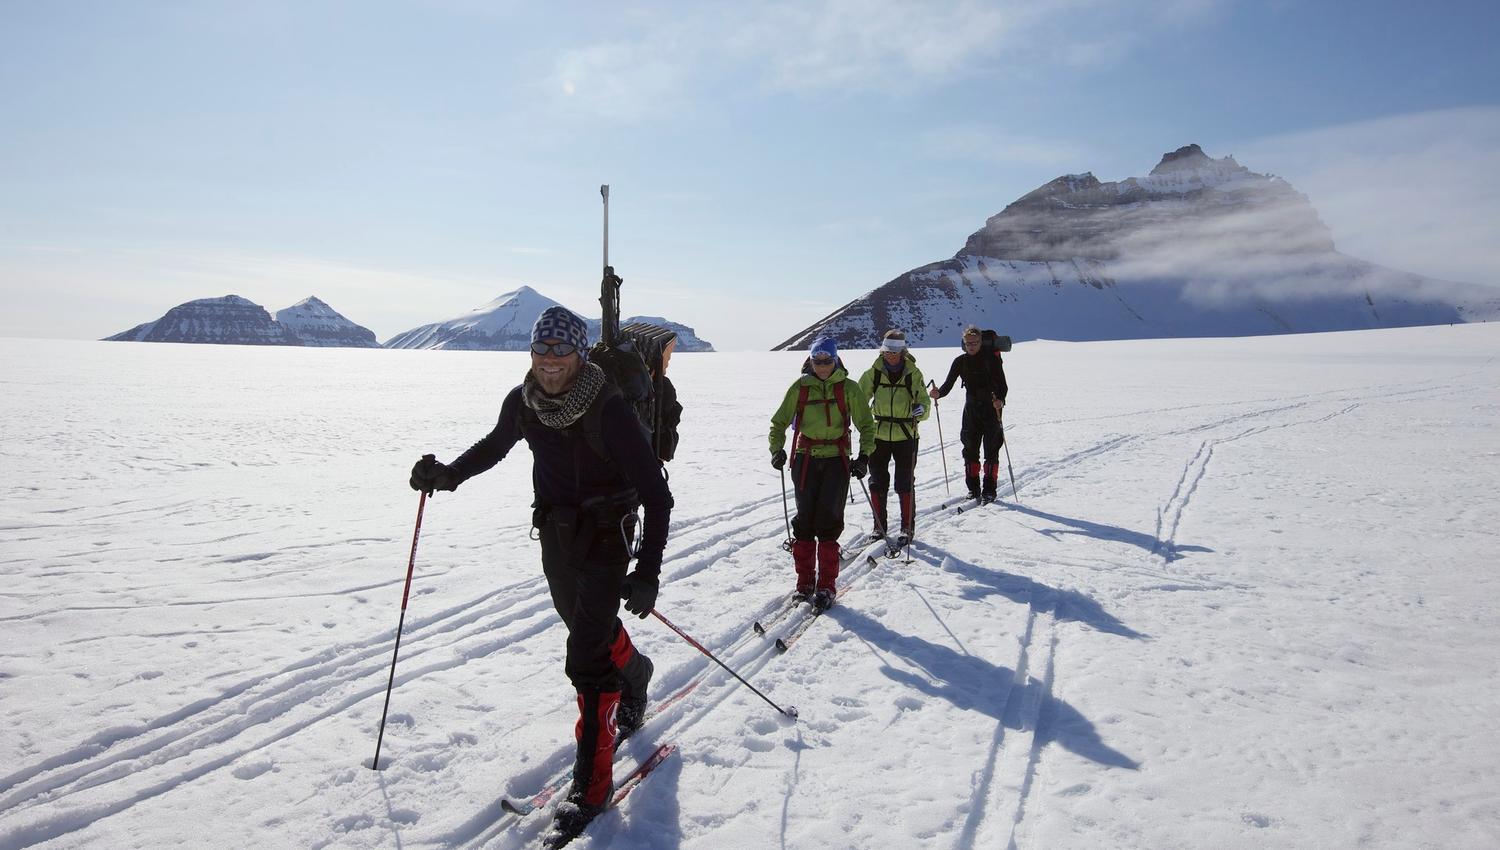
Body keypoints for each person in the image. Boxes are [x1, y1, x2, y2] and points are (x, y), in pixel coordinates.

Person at [408, 306, 672, 840]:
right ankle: (636, 670)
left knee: (586, 660)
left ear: (578, 353)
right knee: (583, 627)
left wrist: (648, 571)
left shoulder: (608, 408)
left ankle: (592, 789)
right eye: (541, 350)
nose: (550, 361)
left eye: (561, 351)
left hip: (606, 535)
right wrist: (449, 476)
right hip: (556, 532)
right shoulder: (523, 401)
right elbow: (494, 445)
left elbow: (657, 494)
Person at [768, 336, 876, 611]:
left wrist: (864, 457)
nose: (822, 366)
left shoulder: (849, 388)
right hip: (805, 460)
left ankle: (827, 584)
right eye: (817, 361)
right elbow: (778, 422)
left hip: (836, 462)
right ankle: (804, 582)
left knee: (829, 521)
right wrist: (776, 450)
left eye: (827, 361)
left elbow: (866, 425)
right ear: (811, 361)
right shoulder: (800, 387)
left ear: (835, 359)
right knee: (804, 521)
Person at [857, 329, 929, 548]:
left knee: (904, 482)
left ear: (902, 351)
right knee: (877, 481)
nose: (890, 355)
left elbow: (924, 403)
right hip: (878, 434)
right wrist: (857, 422)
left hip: (906, 434)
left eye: (894, 352)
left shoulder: (914, 374)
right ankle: (879, 527)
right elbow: (859, 400)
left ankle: (907, 528)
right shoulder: (873, 374)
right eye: (887, 351)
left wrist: (921, 410)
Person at [930, 325, 1009, 503]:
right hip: (971, 409)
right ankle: (973, 489)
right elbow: (948, 384)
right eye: (968, 343)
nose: (971, 346)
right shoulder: (960, 361)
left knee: (991, 449)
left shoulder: (991, 360)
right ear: (964, 344)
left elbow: (1003, 385)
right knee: (970, 450)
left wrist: (1000, 400)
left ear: (981, 342)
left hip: (992, 408)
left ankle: (989, 490)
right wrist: (938, 394)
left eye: (974, 343)